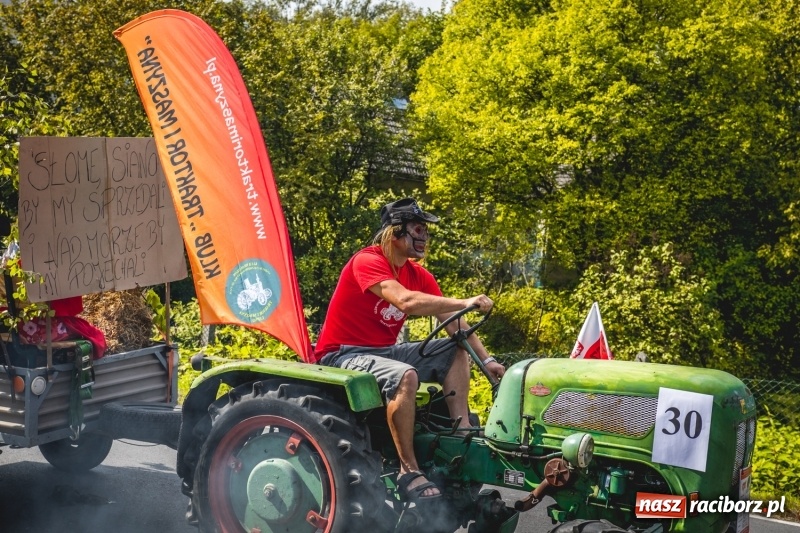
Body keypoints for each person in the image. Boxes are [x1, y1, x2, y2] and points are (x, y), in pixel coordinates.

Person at [313, 197, 505, 504]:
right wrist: (464, 300)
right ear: (395, 233)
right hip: (342, 354)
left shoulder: (419, 275)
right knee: (406, 376)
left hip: (384, 351)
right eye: (418, 229)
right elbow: (405, 302)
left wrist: (488, 360)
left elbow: (455, 324)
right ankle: (408, 469)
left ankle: (461, 433)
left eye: (426, 231)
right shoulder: (367, 261)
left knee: (454, 349)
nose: (425, 237)